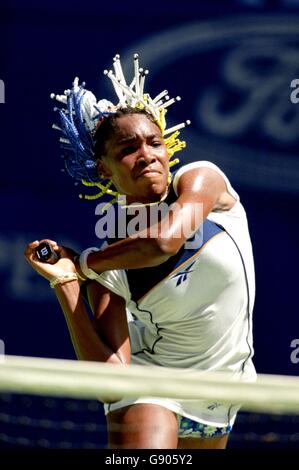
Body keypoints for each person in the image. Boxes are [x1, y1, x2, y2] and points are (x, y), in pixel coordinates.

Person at [24, 54, 256, 449]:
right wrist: (67, 283)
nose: (147, 154)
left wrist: (84, 265)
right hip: (151, 386)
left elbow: (164, 242)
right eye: (128, 148)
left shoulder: (203, 181)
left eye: (154, 142)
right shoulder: (113, 258)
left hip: (222, 392)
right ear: (104, 169)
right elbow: (112, 382)